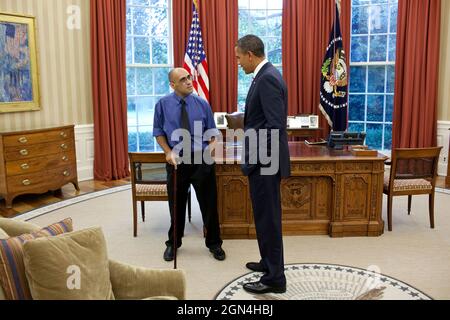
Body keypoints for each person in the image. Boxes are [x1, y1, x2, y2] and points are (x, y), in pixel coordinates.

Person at [235, 35, 290, 294]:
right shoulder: (263, 74)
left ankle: (275, 279)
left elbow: (275, 125)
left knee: (269, 220)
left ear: (250, 54)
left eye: (238, 57)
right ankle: (268, 263)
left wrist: (255, 162)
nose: (237, 63)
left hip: (265, 163)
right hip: (262, 162)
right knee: (263, 216)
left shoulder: (267, 77)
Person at [153, 68, 226, 262]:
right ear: (173, 84)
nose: (188, 81)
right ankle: (173, 244)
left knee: (209, 206)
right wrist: (167, 152)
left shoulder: (202, 104)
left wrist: (209, 151)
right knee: (176, 206)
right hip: (177, 162)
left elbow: (213, 134)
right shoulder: (162, 105)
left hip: (201, 161)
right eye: (183, 79)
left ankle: (215, 244)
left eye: (189, 77)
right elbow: (158, 131)